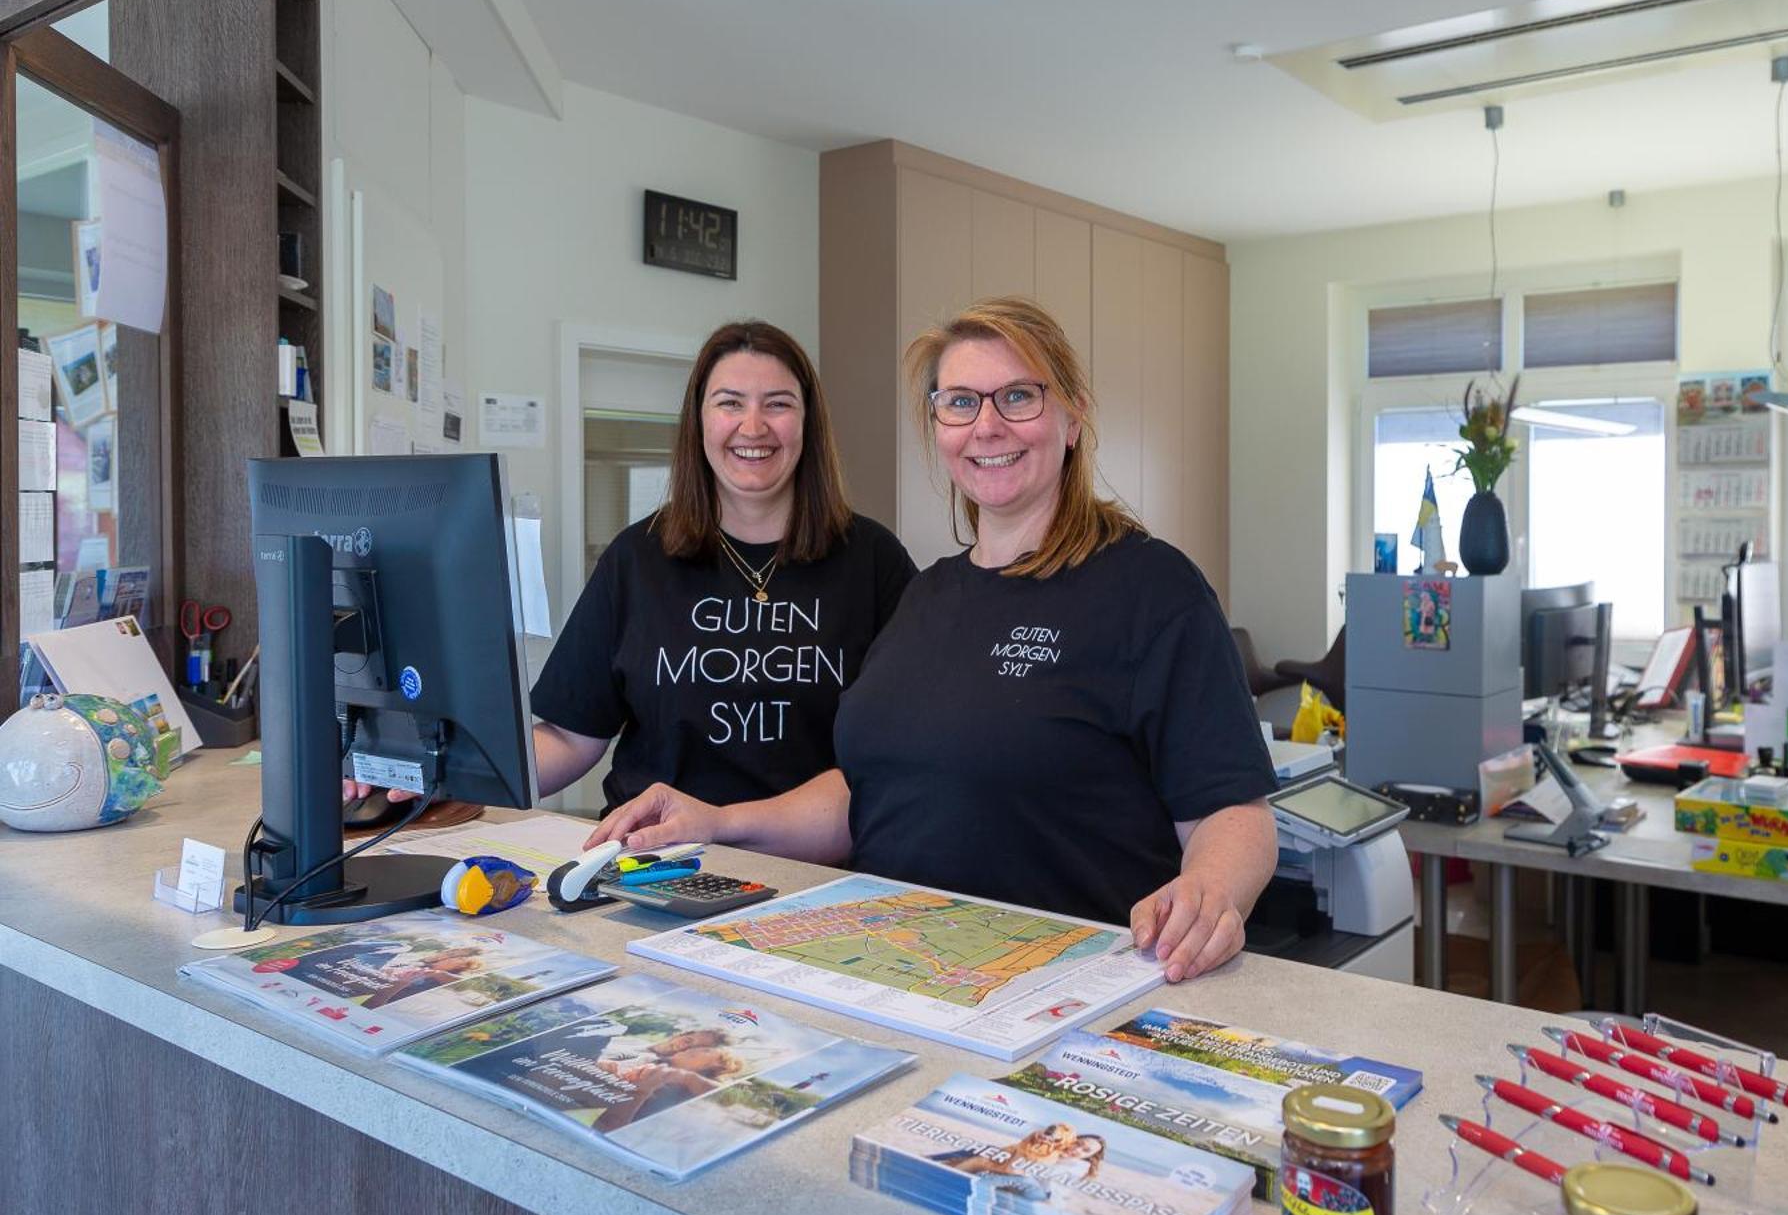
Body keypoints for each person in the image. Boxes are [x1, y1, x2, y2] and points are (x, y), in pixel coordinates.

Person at [590, 297, 1277, 984]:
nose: (987, 425)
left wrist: (1212, 889)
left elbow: (1233, 810)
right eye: (959, 403)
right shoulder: (926, 594)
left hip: (1058, 987)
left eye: (1018, 396)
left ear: (1072, 415)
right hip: (891, 970)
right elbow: (870, 795)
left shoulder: (1152, 588)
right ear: (938, 427)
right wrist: (718, 819)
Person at [350, 321, 916, 814]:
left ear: (807, 423)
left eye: (778, 403)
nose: (753, 426)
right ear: (698, 422)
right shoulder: (639, 557)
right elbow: (572, 738)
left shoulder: (872, 561)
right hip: (652, 859)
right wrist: (435, 773)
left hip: (812, 869)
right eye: (729, 402)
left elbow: (899, 751)